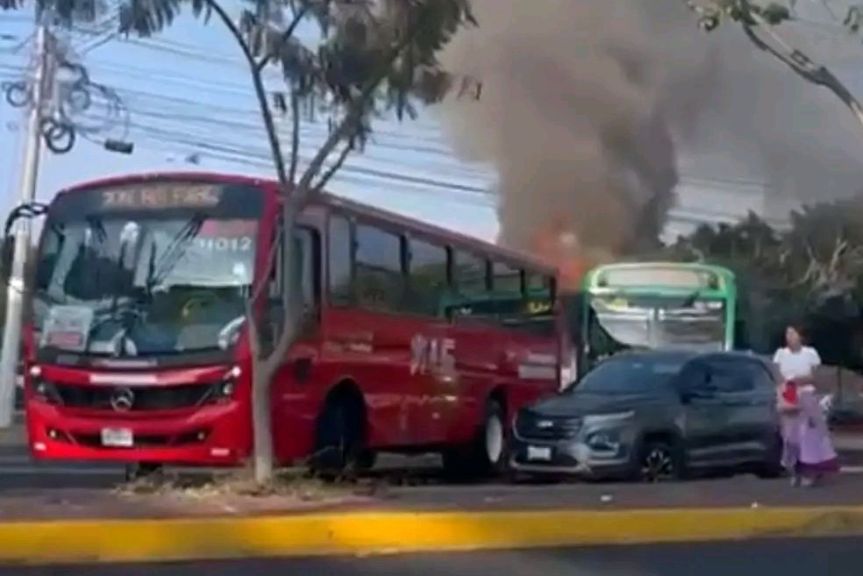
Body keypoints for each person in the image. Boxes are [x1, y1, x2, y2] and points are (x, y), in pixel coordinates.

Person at [773, 325, 838, 487]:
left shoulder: (810, 354)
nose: (789, 337)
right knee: (790, 437)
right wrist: (789, 385)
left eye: (793, 333)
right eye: (787, 333)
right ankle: (794, 471)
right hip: (788, 397)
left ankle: (812, 472)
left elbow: (813, 377)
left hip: (807, 398)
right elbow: (778, 377)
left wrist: (794, 380)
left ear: (800, 336)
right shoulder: (780, 354)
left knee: (808, 437)